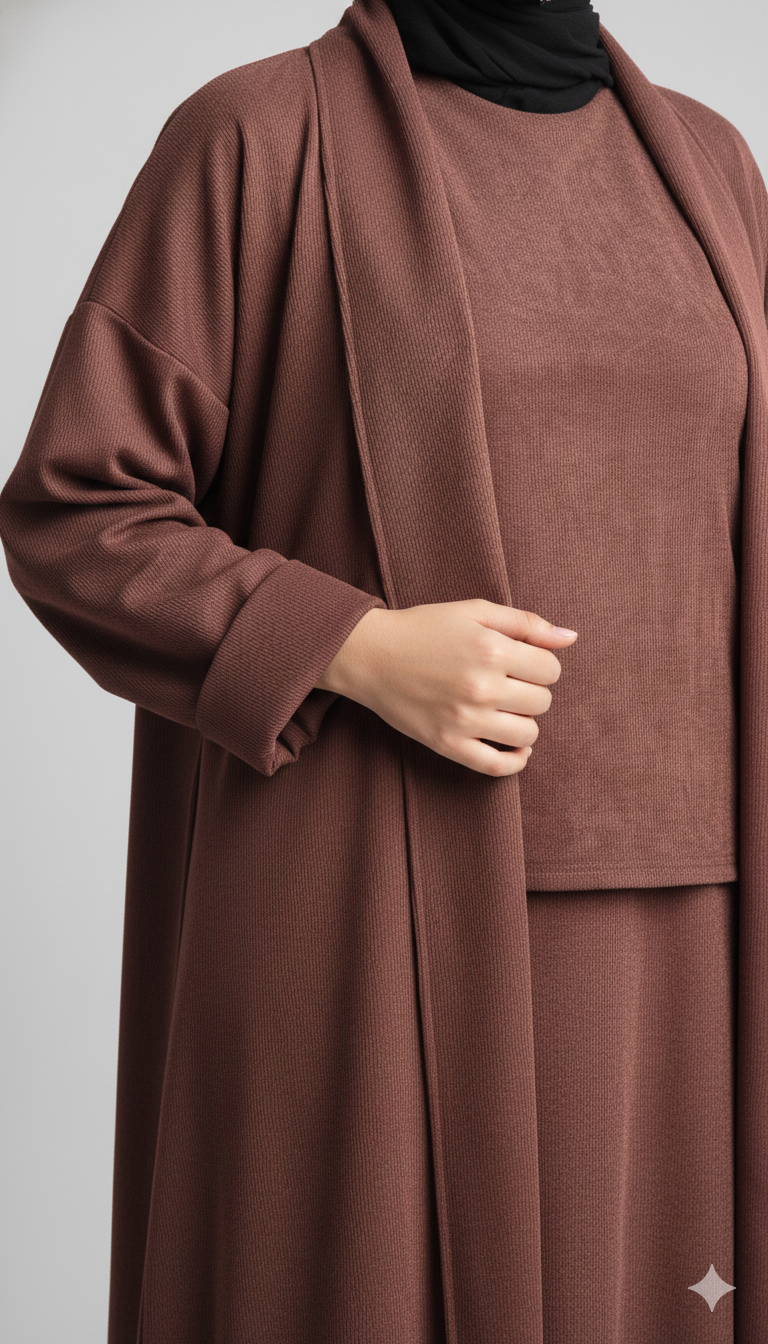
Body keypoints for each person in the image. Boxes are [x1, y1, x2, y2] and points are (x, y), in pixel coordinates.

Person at [1, 1, 766, 1340]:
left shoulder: (711, 165)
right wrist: (352, 646)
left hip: (684, 946)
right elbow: (79, 507)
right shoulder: (254, 138)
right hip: (372, 913)